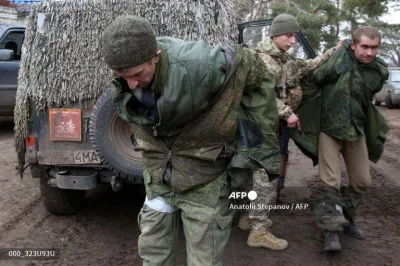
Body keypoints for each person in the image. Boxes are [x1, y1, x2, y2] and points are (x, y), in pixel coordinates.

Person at [101, 15, 280, 265]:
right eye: (122, 76)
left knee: (204, 260)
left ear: (156, 56)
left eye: (137, 74)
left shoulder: (199, 64)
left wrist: (252, 148)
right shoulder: (129, 75)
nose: (131, 84)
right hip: (159, 176)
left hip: (204, 176)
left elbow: (253, 70)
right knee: (153, 254)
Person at [237, 14, 343, 251]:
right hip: (260, 125)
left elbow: (309, 66)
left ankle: (248, 216)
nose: (293, 40)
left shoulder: (286, 60)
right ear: (275, 35)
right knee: (265, 176)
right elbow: (257, 96)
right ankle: (258, 230)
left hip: (272, 126)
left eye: (295, 35)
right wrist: (287, 112)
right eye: (289, 35)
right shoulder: (260, 60)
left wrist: (333, 51)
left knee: (256, 172)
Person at [307, 26, 389, 252]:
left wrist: (357, 60)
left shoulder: (376, 70)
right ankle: (331, 230)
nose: (369, 52)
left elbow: (377, 79)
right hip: (330, 130)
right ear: (353, 45)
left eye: (374, 48)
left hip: (355, 130)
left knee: (362, 182)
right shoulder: (339, 61)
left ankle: (347, 217)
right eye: (364, 47)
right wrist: (342, 51)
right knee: (330, 183)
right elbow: (317, 77)